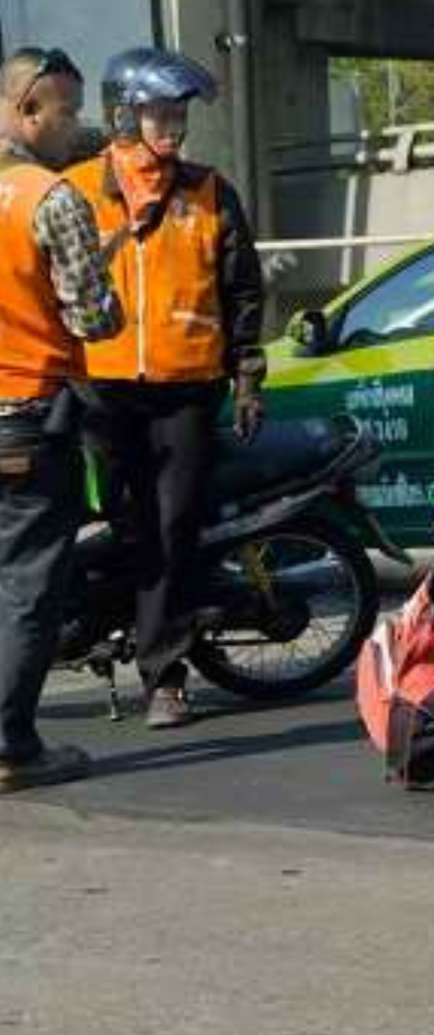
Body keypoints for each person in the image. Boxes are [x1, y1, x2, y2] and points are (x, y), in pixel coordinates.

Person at [65, 47, 266, 730]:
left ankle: (165, 675)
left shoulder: (211, 191)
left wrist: (246, 374)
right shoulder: (75, 192)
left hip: (186, 389)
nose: (175, 127)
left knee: (173, 530)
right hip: (98, 389)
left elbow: (242, 291)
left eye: (180, 115)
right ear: (124, 114)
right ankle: (102, 631)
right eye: (161, 114)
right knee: (117, 524)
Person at [0, 47, 124, 793]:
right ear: (28, 110)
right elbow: (95, 317)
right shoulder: (52, 200)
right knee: (28, 587)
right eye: (66, 111)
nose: (72, 126)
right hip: (28, 418)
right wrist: (104, 267)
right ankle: (10, 743)